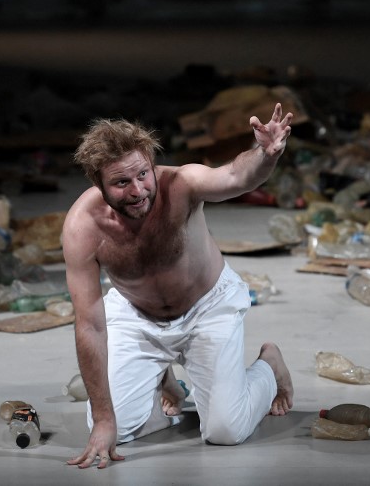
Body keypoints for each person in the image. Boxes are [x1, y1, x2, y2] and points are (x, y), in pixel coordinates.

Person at [62, 103, 295, 469]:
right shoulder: (83, 227)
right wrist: (105, 420)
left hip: (207, 306)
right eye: (121, 183)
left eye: (142, 174)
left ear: (152, 165)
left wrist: (265, 154)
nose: (138, 190)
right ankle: (164, 378)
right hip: (137, 313)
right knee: (110, 428)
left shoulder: (182, 184)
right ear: (98, 184)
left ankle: (268, 366)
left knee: (225, 431)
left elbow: (235, 177)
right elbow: (90, 324)